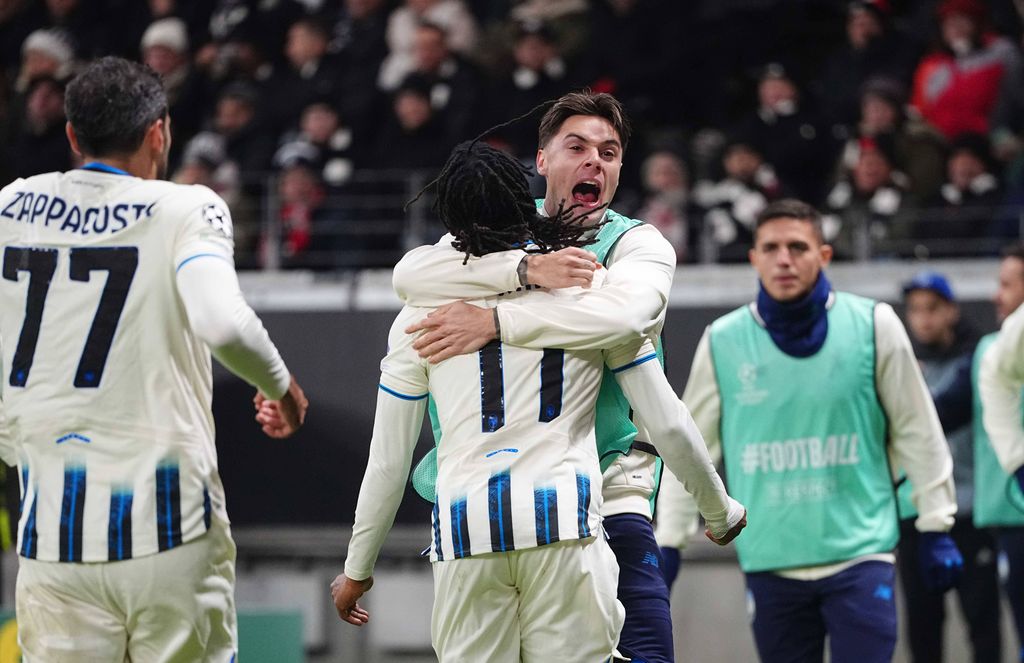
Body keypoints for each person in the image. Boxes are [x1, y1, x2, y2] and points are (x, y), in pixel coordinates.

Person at [330, 137, 743, 662]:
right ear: (525, 198)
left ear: (449, 220)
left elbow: (387, 464)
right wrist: (718, 507)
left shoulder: (417, 319)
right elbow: (667, 420)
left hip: (465, 527)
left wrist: (356, 570)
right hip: (562, 520)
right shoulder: (588, 294)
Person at [0, 57, 308, 661]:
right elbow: (222, 323)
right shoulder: (185, 209)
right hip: (168, 529)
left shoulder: (12, 207)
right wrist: (282, 387)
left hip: (53, 536)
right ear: (158, 132)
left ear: (70, 135)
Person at [660, 199, 961, 663]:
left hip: (861, 555)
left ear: (823, 256)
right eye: (772, 247)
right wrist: (670, 538)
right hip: (771, 560)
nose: (784, 258)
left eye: (798, 247)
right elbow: (690, 451)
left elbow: (918, 430)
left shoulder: (873, 324)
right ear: (754, 258)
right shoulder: (723, 340)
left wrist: (937, 523)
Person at [897, 271, 1000, 663]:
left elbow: (938, 416)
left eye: (933, 308)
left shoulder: (979, 359)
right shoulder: (899, 363)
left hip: (969, 511)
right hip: (914, 513)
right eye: (916, 310)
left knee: (982, 623)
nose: (923, 318)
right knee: (922, 628)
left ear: (952, 311)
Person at [977, 243, 1024, 649]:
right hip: (1013, 515)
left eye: (1007, 284)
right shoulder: (998, 347)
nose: (998, 294)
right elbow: (991, 378)